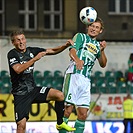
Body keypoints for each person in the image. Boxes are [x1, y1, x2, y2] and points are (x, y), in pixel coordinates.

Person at [7, 30, 76, 133]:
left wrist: (65, 46)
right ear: (13, 43)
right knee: (21, 126)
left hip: (33, 90)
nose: (21, 42)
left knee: (59, 95)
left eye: (22, 39)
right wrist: (34, 59)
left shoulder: (31, 51)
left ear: (25, 39)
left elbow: (51, 51)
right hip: (20, 94)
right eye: (18, 40)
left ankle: (60, 123)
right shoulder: (12, 54)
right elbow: (18, 69)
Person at [60, 17, 107, 133]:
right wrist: (77, 60)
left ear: (100, 31)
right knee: (68, 109)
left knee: (83, 114)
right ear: (88, 26)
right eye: (92, 26)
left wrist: (102, 50)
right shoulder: (80, 36)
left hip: (86, 80)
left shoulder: (97, 45)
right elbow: (72, 50)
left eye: (97, 27)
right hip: (74, 75)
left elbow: (103, 64)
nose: (93, 29)